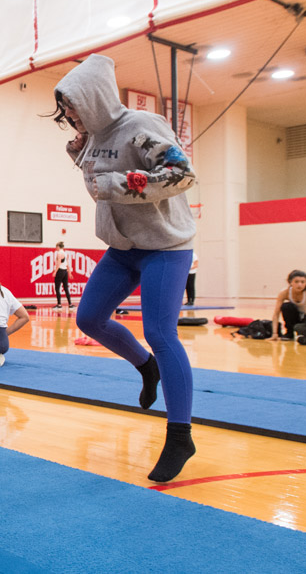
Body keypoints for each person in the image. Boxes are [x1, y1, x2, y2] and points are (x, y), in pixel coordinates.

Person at [51, 54, 198, 483]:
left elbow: (182, 174)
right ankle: (145, 366)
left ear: (93, 98)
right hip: (124, 247)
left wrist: (119, 183)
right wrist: (78, 154)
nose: (70, 117)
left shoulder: (142, 126)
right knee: (89, 318)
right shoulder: (91, 138)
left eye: (73, 107)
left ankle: (180, 434)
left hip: (165, 247)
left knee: (160, 331)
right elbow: (99, 180)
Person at [267, 270, 306, 341]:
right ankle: (289, 333)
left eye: (302, 282)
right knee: (286, 306)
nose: (300, 285)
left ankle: (304, 332)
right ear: (290, 282)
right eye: (296, 282)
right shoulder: (284, 292)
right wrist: (274, 334)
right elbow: (276, 314)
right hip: (294, 317)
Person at [52, 242, 73, 309]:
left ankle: (59, 304)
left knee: (57, 288)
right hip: (65, 272)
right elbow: (67, 264)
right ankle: (70, 304)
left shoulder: (59, 253)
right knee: (66, 288)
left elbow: (59, 263)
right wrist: (69, 272)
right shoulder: (65, 253)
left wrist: (55, 271)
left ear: (58, 246)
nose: (55, 248)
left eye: (56, 246)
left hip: (60, 271)